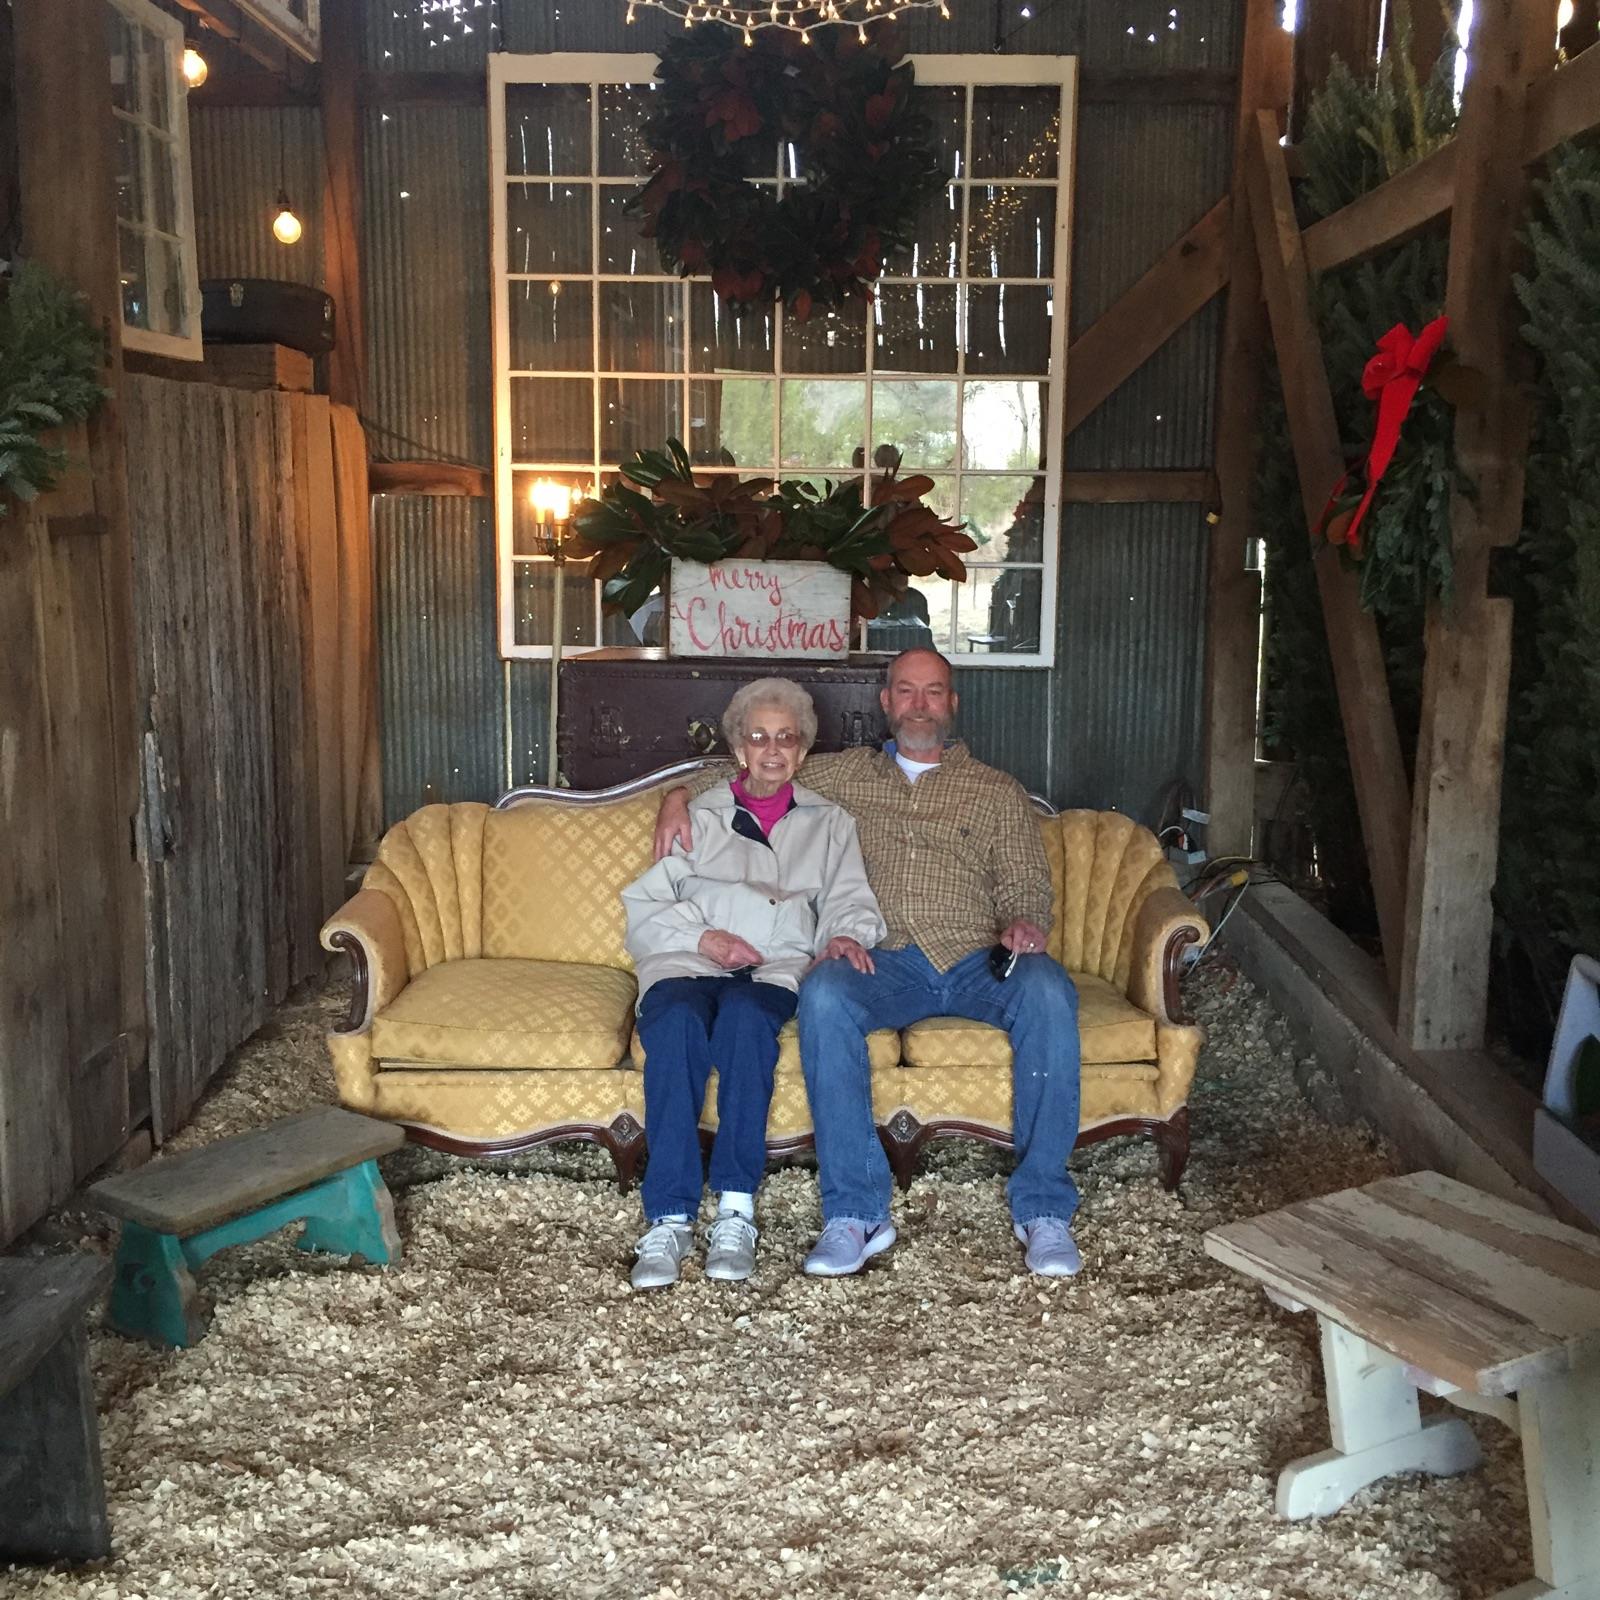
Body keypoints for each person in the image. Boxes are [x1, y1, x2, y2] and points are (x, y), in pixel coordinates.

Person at [654, 647, 1082, 1280]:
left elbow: (1025, 884)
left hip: (978, 958)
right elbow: (758, 770)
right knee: (824, 996)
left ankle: (1044, 1208)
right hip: (884, 961)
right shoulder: (845, 775)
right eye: (905, 691)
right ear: (885, 703)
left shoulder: (996, 791)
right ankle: (856, 1213)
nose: (918, 704)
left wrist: (1025, 923)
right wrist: (676, 796)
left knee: (1050, 992)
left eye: (933, 692)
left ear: (952, 703)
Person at [621, 678, 885, 1291]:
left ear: (801, 748)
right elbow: (647, 901)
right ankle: (670, 1217)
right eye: (759, 736)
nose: (772, 749)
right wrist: (704, 938)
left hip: (774, 963)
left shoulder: (830, 821)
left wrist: (844, 936)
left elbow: (850, 898)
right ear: (739, 747)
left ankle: (736, 1207)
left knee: (745, 1022)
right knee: (678, 1023)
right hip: (689, 957)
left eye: (786, 738)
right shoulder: (699, 816)